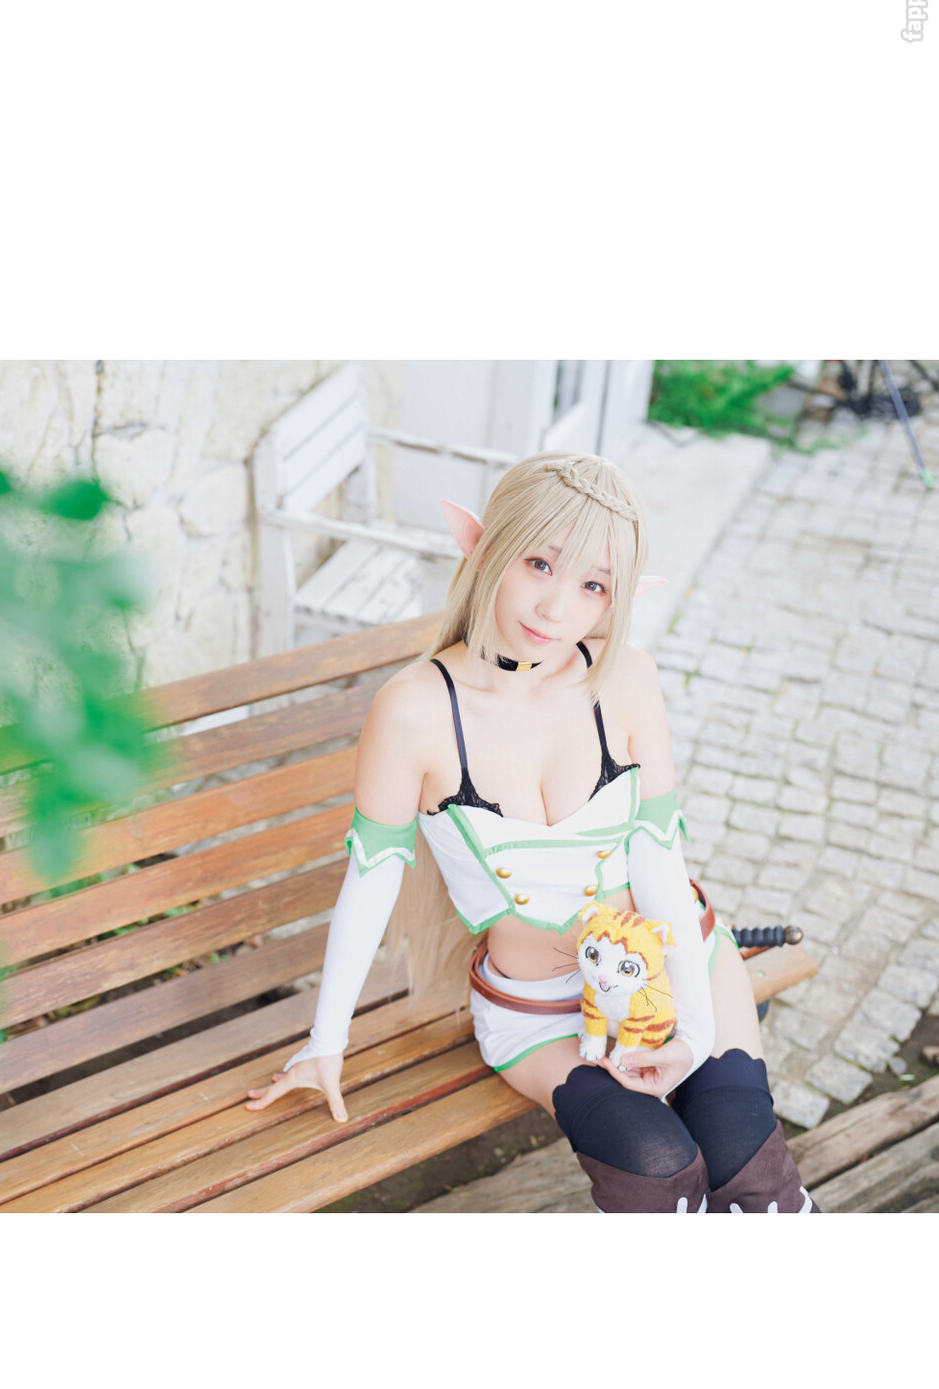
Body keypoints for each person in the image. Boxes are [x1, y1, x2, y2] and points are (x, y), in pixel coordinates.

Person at [246, 451, 818, 1214]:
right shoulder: (414, 709)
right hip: (542, 1011)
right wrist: (326, 1043)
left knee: (747, 1163)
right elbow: (372, 877)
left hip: (675, 963)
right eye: (540, 563)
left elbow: (658, 861)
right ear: (484, 548)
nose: (555, 609)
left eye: (593, 586)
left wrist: (692, 1028)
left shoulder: (626, 677)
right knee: (657, 1169)